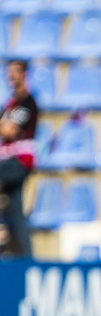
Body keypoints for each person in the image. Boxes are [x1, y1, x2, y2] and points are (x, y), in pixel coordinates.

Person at [0, 60, 38, 257]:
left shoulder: (28, 103)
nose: (10, 77)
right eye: (9, 73)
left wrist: (4, 124)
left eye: (14, 72)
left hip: (19, 162)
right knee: (16, 211)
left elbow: (9, 130)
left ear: (24, 74)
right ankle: (27, 258)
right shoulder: (10, 104)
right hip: (7, 161)